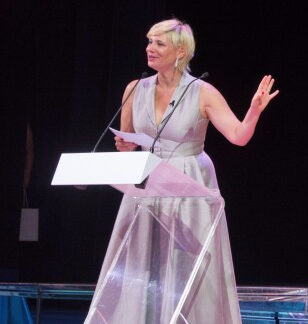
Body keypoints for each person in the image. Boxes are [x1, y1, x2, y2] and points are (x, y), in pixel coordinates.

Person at [89, 18, 279, 323]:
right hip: (148, 185)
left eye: (159, 43)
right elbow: (126, 144)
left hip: (190, 184)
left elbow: (238, 136)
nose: (150, 49)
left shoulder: (202, 91)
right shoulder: (134, 89)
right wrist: (124, 146)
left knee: (184, 269)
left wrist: (254, 110)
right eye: (149, 41)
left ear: (180, 52)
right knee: (138, 263)